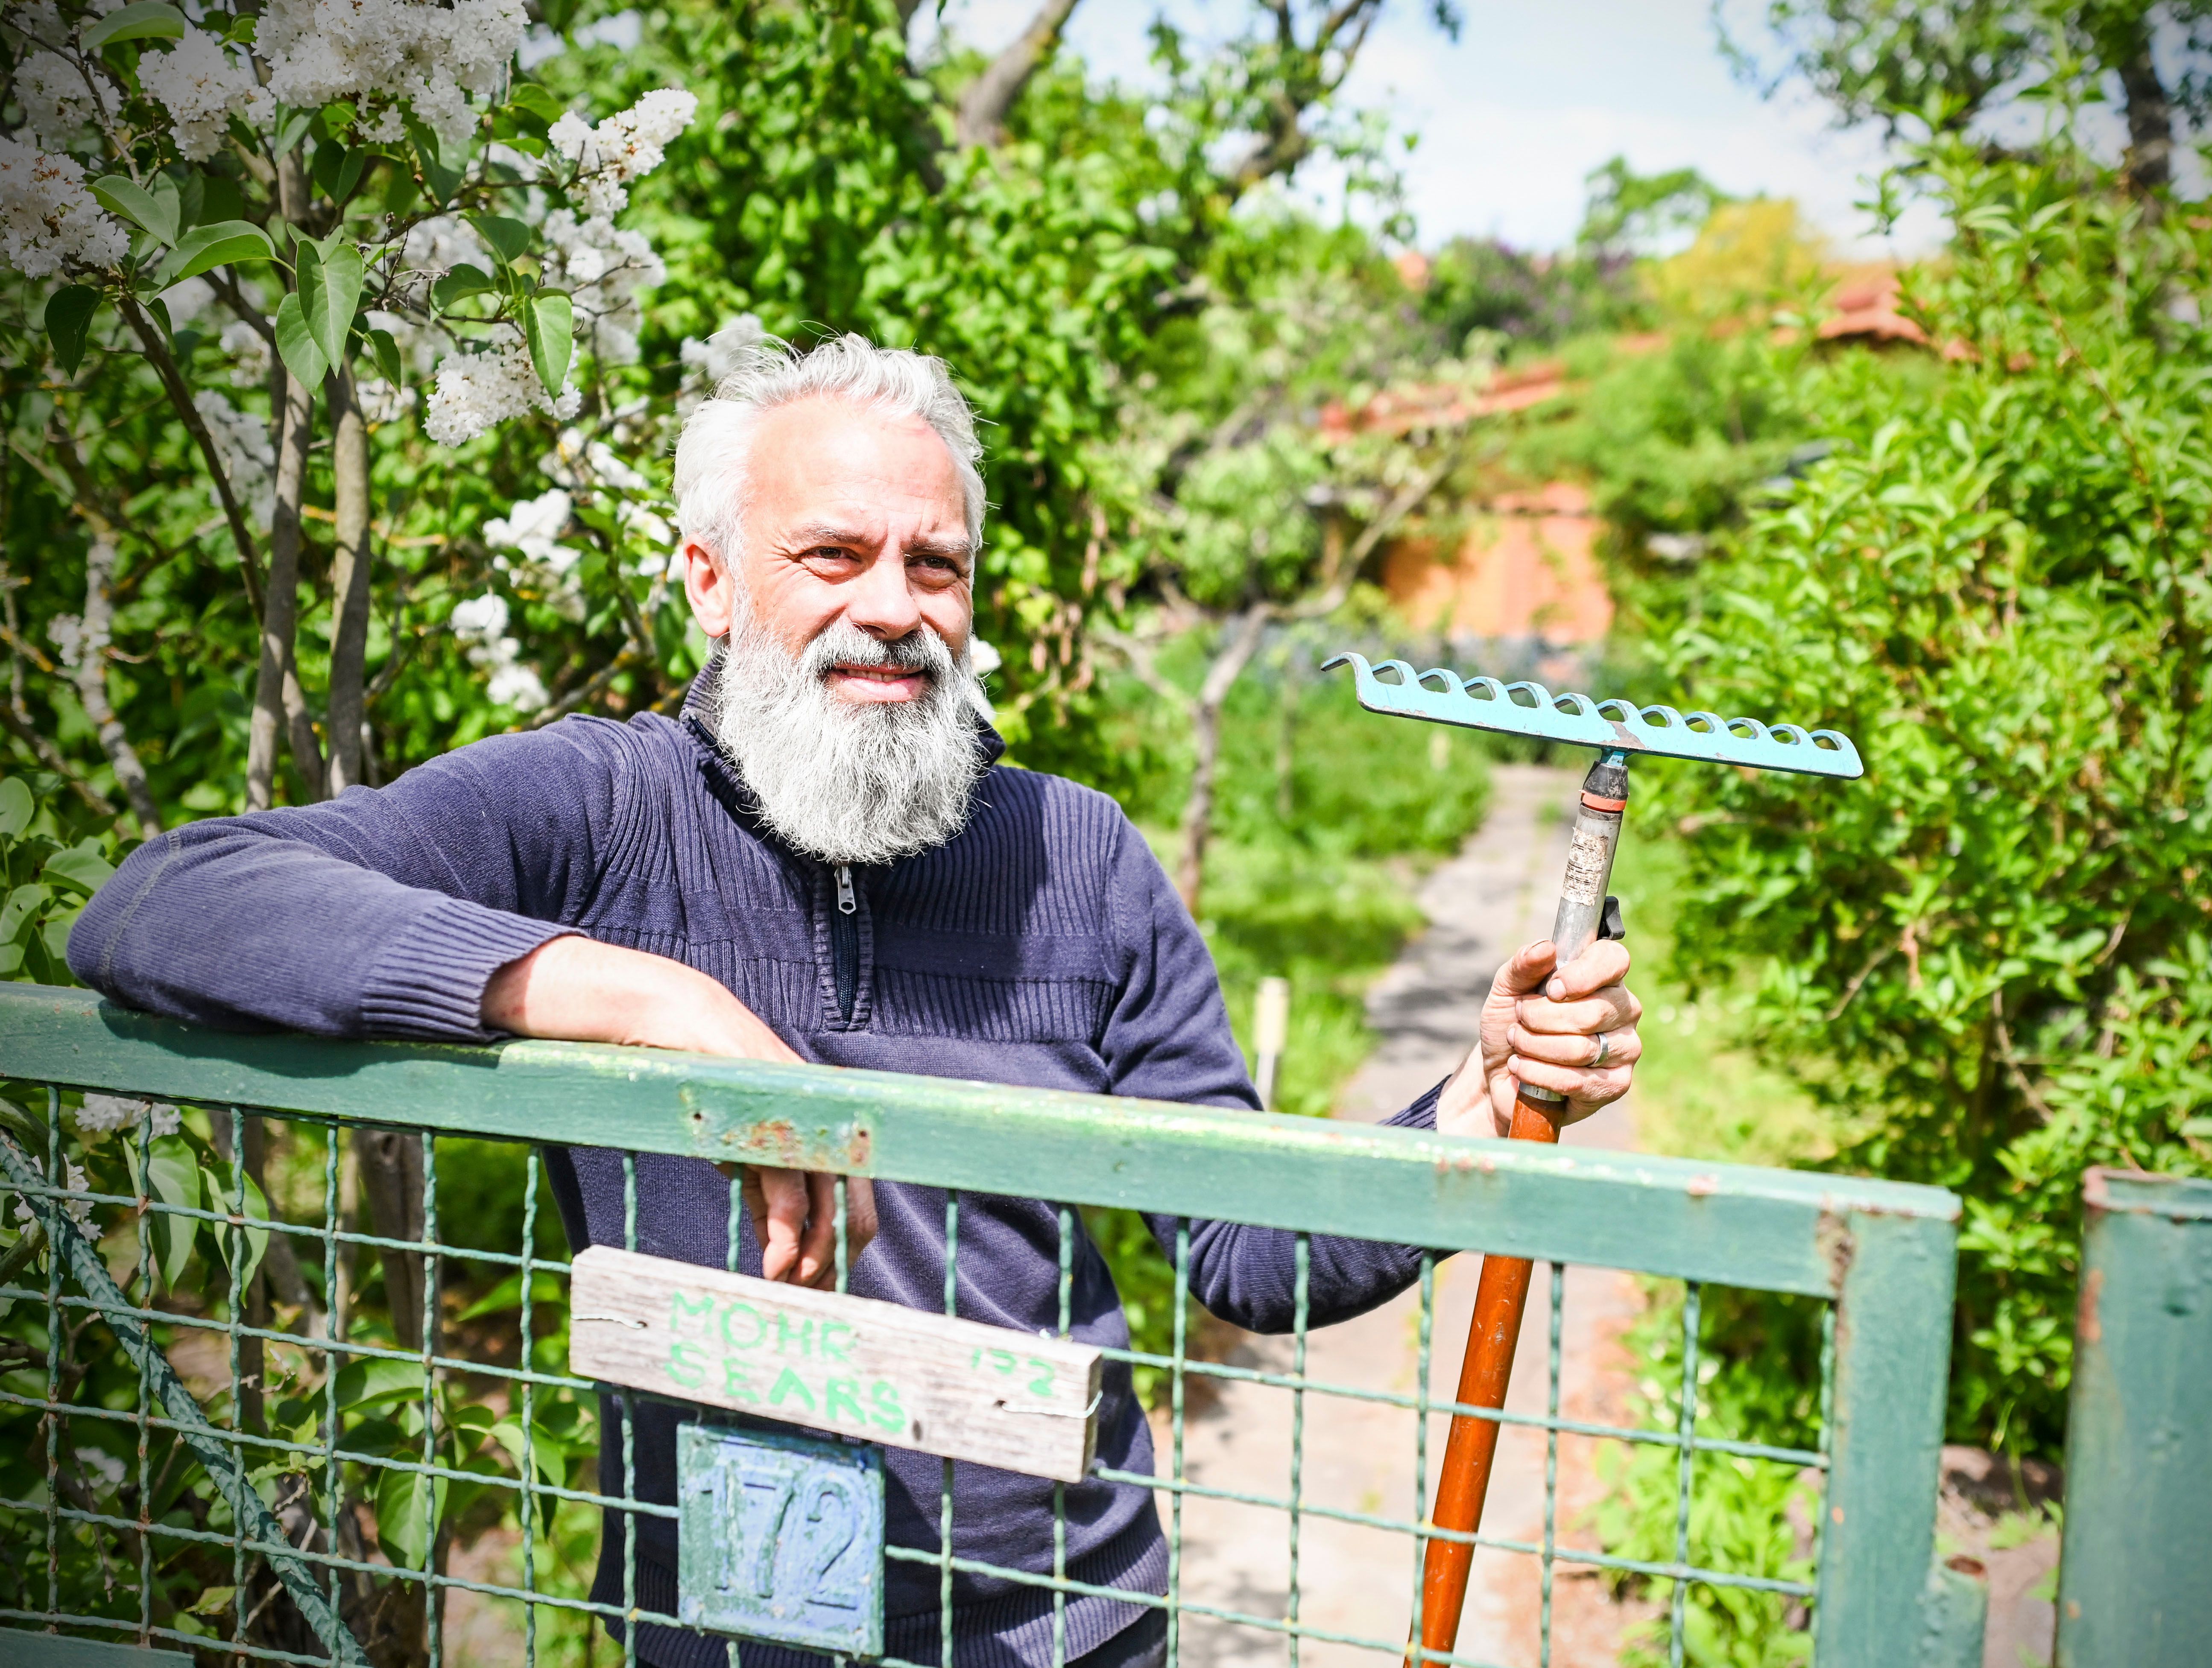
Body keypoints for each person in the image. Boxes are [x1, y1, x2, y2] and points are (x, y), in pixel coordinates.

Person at [69, 336, 1644, 1668]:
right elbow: (170, 895)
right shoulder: (600, 812)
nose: (891, 605)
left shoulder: (1073, 854)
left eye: (933, 563)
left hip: (1064, 1626)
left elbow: (1246, 1250)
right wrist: (652, 1002)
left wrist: (1485, 1098)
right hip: (724, 1621)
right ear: (710, 579)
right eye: (831, 553)